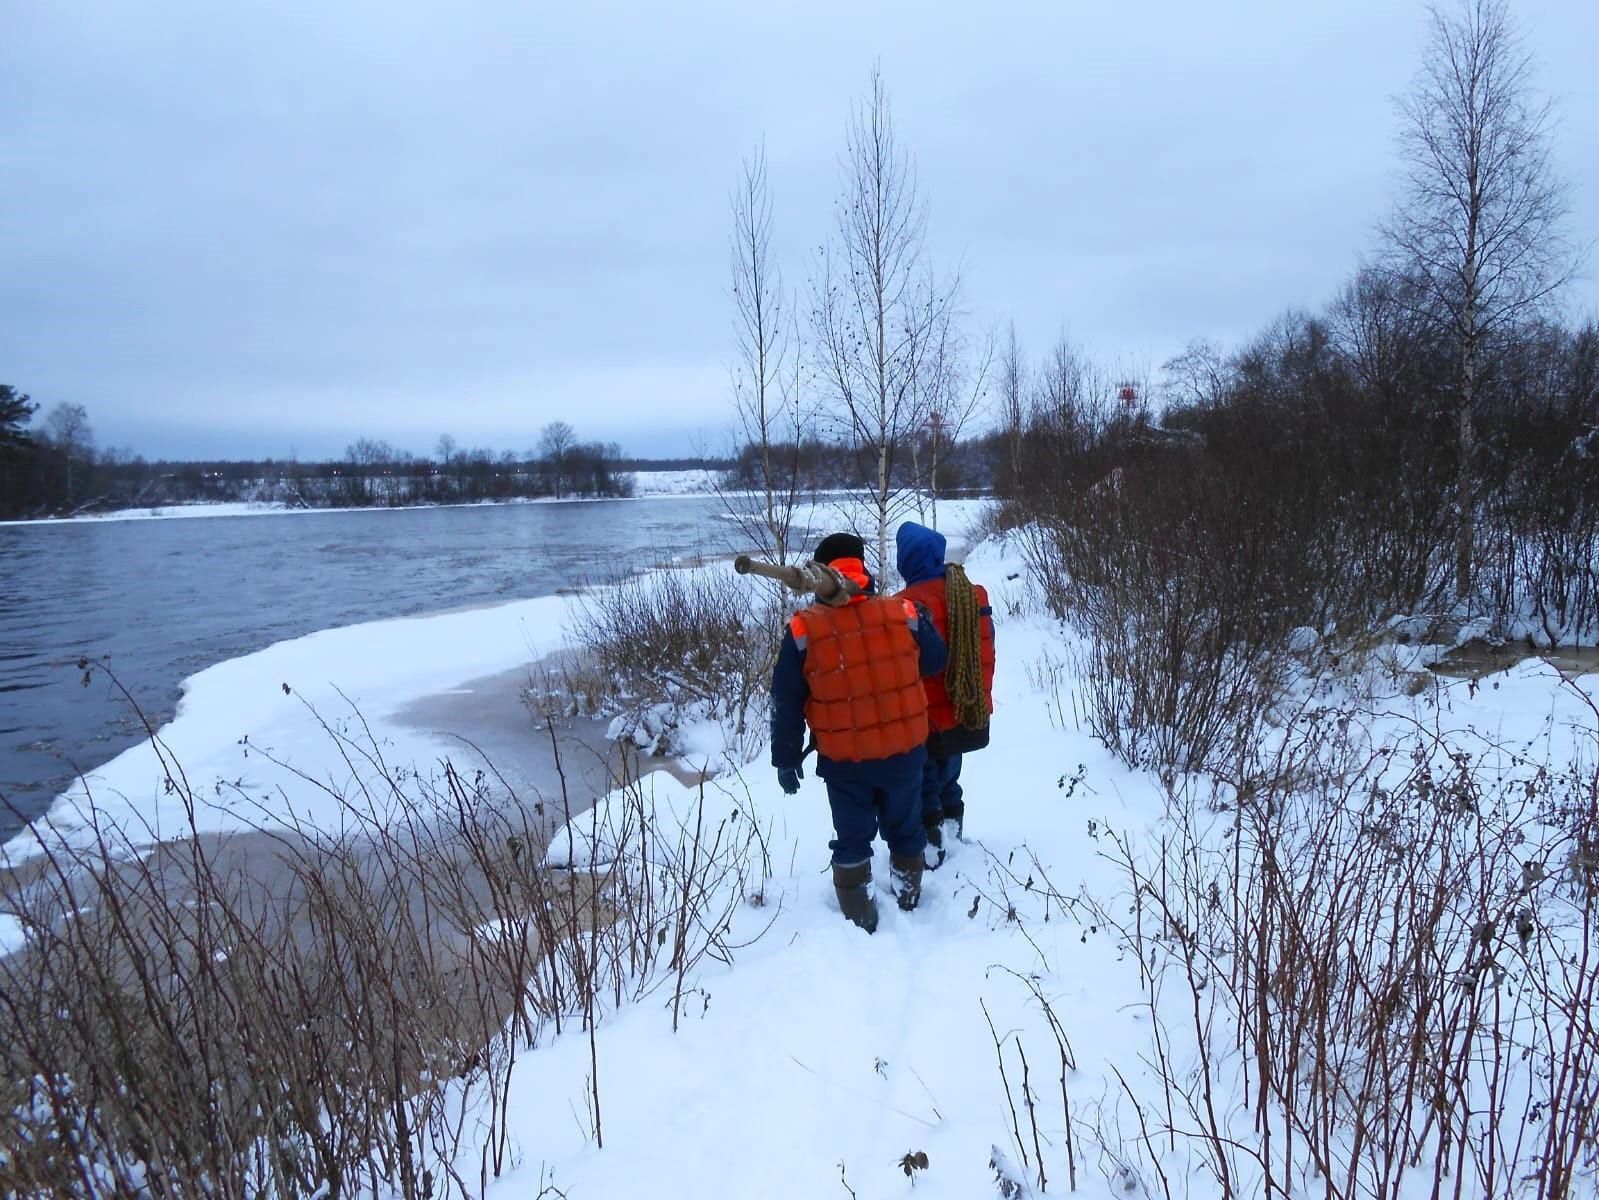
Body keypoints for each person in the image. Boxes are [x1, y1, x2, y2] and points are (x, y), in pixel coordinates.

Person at [770, 532, 948, 933]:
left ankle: (860, 923)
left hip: (845, 764)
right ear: (861, 567)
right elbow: (936, 661)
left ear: (819, 570)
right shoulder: (903, 611)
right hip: (906, 756)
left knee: (852, 839)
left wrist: (784, 758)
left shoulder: (802, 630)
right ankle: (908, 898)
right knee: (906, 830)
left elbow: (786, 702)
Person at [894, 521, 996, 865]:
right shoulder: (971, 594)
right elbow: (986, 649)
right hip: (965, 708)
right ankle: (954, 837)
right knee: (951, 777)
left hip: (925, 718)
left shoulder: (904, 606)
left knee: (926, 785)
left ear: (905, 561)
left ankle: (933, 848)